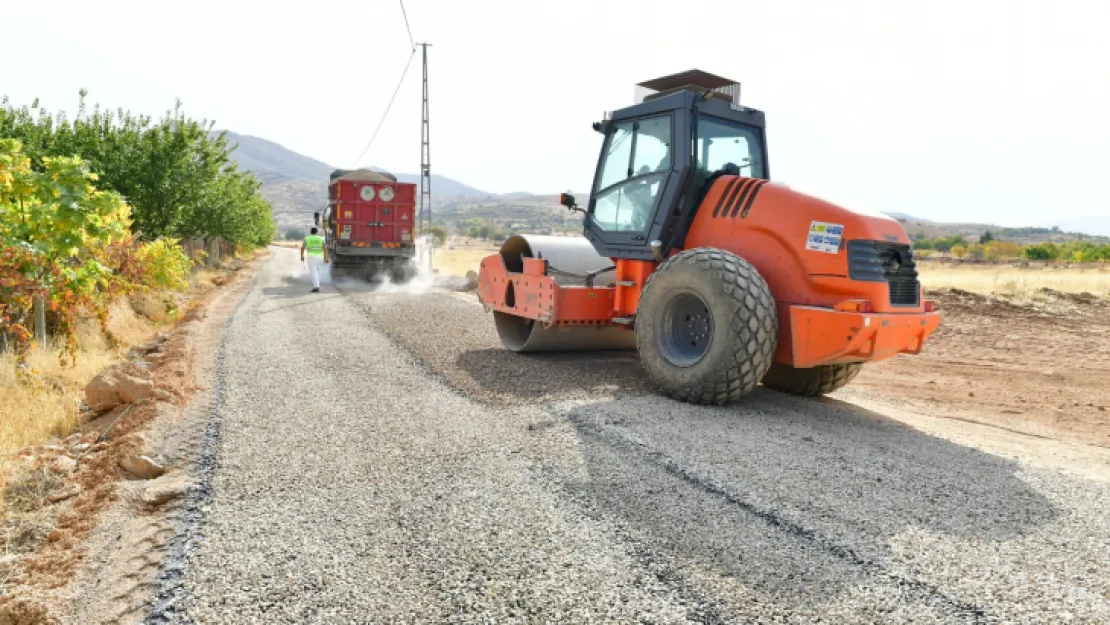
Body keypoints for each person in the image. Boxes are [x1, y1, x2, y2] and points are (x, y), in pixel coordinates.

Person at [301, 227, 329, 292]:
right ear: (317, 232)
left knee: (313, 272)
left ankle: (316, 287)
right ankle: (317, 285)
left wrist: (302, 256)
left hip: (311, 257)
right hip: (320, 257)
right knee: (318, 271)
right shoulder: (321, 239)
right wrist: (326, 258)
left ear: (310, 232)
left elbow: (302, 248)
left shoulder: (307, 238)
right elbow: (325, 249)